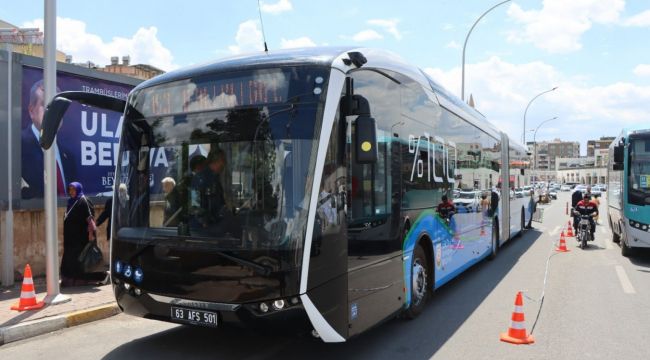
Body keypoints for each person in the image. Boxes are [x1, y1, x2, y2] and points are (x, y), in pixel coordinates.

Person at [21, 79, 76, 199]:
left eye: (57, 107)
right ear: (31, 111)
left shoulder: (69, 157)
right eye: (45, 105)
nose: (53, 112)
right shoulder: (17, 146)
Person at [60, 182, 104, 286]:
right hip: (71, 239)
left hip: (81, 239)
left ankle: (83, 280)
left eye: (73, 190)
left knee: (81, 260)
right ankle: (69, 280)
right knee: (70, 259)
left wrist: (91, 234)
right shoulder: (71, 202)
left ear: (78, 190)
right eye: (70, 190)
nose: (71, 192)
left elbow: (90, 219)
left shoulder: (84, 201)